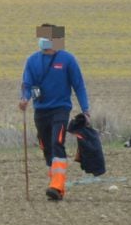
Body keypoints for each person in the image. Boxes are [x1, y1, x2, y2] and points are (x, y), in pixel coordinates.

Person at [18, 27, 90, 201]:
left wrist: (86, 109)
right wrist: (25, 99)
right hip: (41, 111)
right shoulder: (32, 60)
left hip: (61, 109)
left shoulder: (68, 60)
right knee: (46, 147)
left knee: (57, 142)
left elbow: (78, 86)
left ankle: (57, 186)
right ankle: (55, 185)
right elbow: (27, 85)